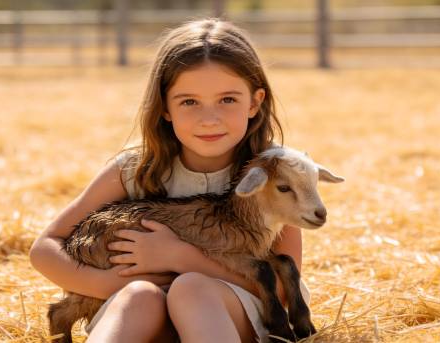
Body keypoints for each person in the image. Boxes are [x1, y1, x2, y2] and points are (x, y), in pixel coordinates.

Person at [29, 18, 309, 343]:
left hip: (232, 313)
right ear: (164, 107)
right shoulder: (136, 169)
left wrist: (181, 258)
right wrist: (110, 284)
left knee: (191, 290)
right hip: (145, 316)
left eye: (227, 99)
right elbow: (44, 250)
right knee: (139, 296)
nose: (209, 118)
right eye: (189, 101)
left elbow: (281, 291)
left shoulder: (275, 175)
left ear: (255, 102)